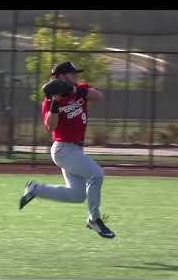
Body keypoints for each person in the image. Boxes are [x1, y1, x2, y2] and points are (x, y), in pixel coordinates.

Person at [19, 61, 115, 239]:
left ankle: (35, 189)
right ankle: (94, 219)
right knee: (97, 175)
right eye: (72, 74)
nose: (76, 76)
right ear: (61, 76)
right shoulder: (49, 101)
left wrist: (74, 90)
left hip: (76, 151)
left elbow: (98, 96)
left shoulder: (80, 89)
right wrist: (55, 101)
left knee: (78, 195)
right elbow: (50, 125)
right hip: (63, 149)